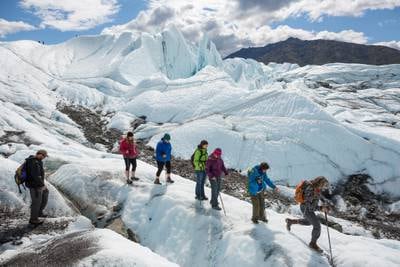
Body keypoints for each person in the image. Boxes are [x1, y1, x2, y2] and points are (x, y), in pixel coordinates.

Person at [285, 176, 330, 253]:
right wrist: (321, 208)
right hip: (306, 208)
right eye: (323, 185)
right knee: (317, 226)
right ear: (319, 183)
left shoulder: (316, 188)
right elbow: (311, 207)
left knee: (309, 222)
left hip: (307, 208)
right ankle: (313, 243)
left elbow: (317, 197)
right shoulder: (310, 190)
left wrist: (324, 202)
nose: (323, 187)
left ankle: (291, 221)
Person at [25, 150, 49, 226]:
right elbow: (36, 176)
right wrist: (42, 185)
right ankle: (33, 219)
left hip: (37, 184)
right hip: (34, 185)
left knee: (45, 193)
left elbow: (39, 175)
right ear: (40, 154)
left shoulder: (38, 161)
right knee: (36, 202)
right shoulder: (34, 162)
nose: (44, 158)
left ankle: (39, 212)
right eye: (44, 156)